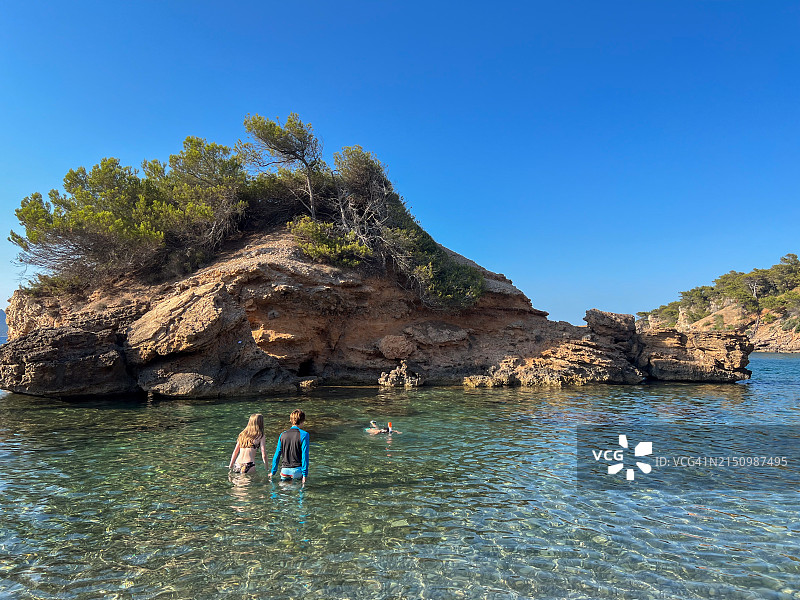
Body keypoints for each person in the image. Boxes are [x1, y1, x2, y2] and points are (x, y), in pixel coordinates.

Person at [270, 409, 309, 484]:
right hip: (297, 470)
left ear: (291, 420)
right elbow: (305, 455)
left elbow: (277, 454)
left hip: (284, 470)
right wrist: (305, 474)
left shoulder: (283, 434)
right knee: (298, 494)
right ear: (302, 421)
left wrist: (273, 471)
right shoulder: (304, 435)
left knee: (284, 494)